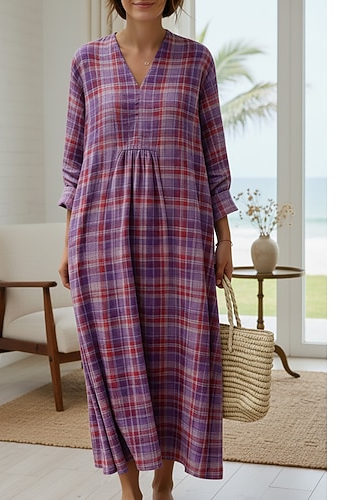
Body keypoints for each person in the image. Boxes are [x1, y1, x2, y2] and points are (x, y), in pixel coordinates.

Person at [58, 1, 237, 498]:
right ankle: (128, 487)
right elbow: (73, 163)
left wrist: (225, 237)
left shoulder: (197, 60)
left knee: (178, 354)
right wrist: (67, 243)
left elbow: (215, 156)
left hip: (181, 232)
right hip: (100, 232)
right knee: (112, 357)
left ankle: (163, 482)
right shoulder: (86, 62)